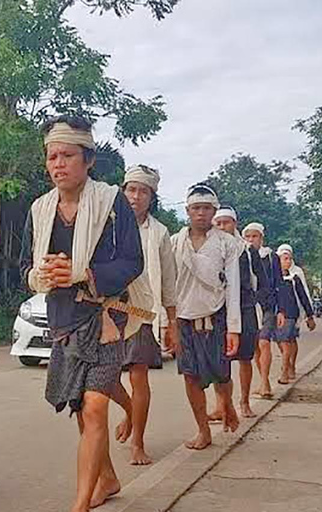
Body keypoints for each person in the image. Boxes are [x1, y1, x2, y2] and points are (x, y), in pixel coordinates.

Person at [20, 116, 150, 512]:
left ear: (88, 160)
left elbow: (133, 261)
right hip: (64, 319)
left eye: (67, 155)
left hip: (106, 316)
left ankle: (80, 503)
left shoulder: (112, 203)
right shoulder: (40, 209)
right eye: (52, 156)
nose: (58, 164)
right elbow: (25, 266)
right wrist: (42, 274)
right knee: (82, 407)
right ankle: (107, 479)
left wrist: (83, 273)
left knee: (94, 406)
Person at [116, 164, 178, 466]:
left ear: (151, 197)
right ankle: (129, 411)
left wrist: (171, 323)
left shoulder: (159, 233)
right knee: (102, 381)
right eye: (131, 189)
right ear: (123, 190)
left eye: (143, 191)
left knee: (138, 377)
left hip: (141, 314)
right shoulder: (106, 222)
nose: (135, 196)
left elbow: (168, 282)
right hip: (106, 311)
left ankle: (138, 442)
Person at [171, 184, 241, 450]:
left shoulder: (227, 244)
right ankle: (203, 430)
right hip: (185, 318)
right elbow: (168, 284)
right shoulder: (175, 243)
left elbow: (233, 287)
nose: (201, 213)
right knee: (190, 376)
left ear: (213, 211)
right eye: (196, 208)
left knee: (222, 374)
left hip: (216, 316)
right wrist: (167, 323)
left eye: (206, 208)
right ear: (188, 211)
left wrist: (234, 328)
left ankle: (227, 404)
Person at [211, 209, 270, 419]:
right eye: (217, 223)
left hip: (245, 311)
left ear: (234, 224)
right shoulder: (209, 249)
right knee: (220, 360)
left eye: (226, 222)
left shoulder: (246, 250)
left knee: (245, 358)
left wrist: (257, 303)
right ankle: (221, 406)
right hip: (218, 310)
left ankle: (244, 402)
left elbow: (263, 283)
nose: (222, 227)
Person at [241, 222, 280, 399]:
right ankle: (263, 380)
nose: (251, 240)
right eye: (247, 236)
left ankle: (265, 383)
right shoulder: (242, 254)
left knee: (264, 342)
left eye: (254, 236)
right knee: (256, 346)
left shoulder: (270, 256)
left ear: (261, 238)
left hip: (268, 306)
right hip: (250, 307)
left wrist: (282, 310)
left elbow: (278, 282)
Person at [274, 244, 316, 385]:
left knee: (287, 342)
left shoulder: (295, 277)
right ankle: (288, 365)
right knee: (284, 342)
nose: (288, 261)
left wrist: (309, 316)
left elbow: (303, 296)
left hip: (291, 314)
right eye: (284, 258)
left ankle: (285, 370)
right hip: (276, 314)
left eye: (289, 259)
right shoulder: (272, 278)